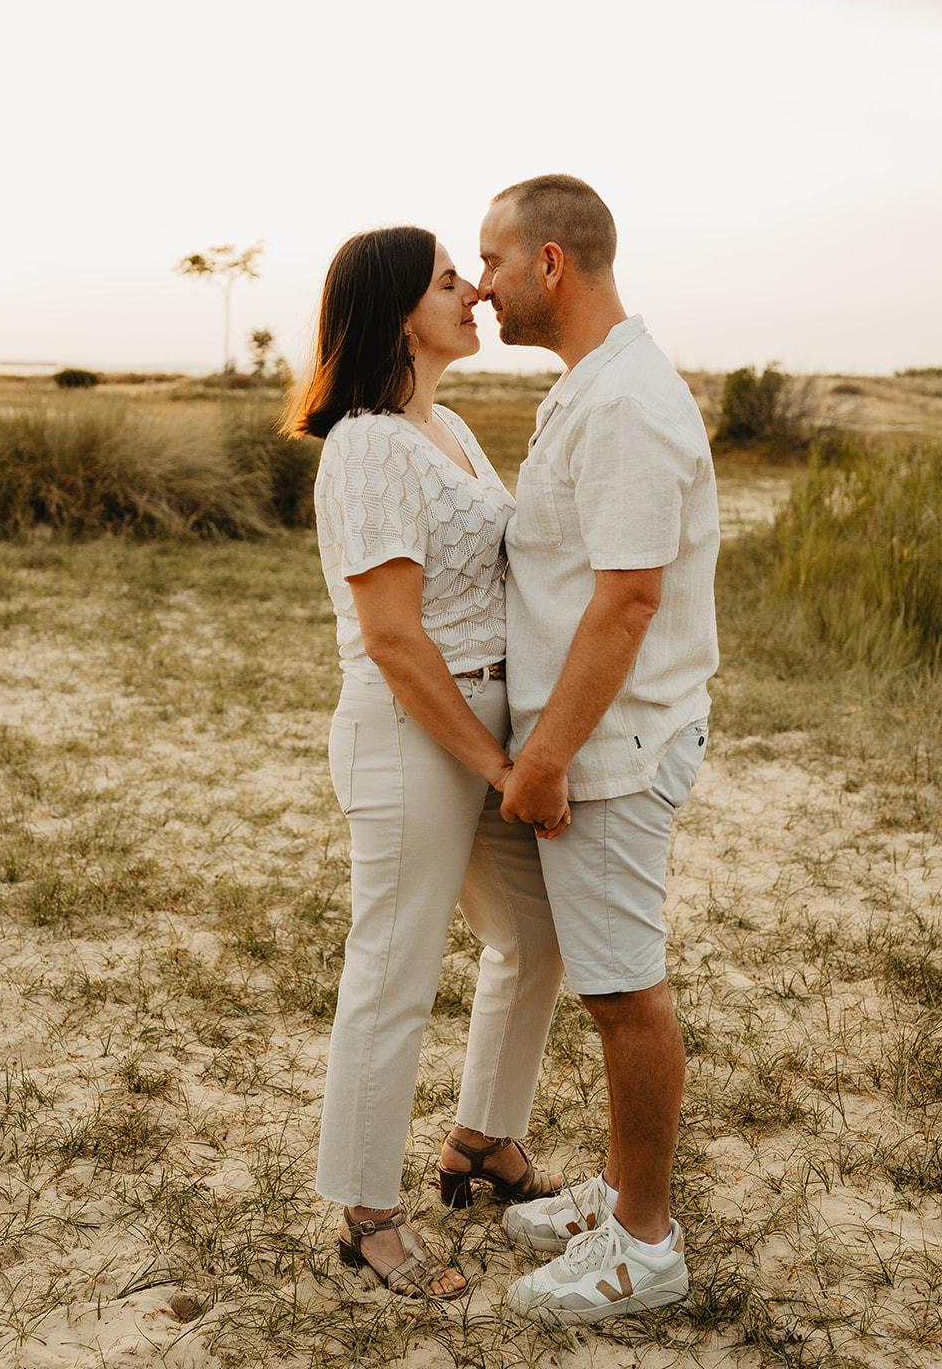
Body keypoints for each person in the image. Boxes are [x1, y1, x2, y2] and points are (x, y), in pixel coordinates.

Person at [287, 225, 565, 1301]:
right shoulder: (365, 445)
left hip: (486, 725)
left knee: (534, 935)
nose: (474, 294)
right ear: (398, 311)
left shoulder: (446, 427)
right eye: (450, 280)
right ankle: (365, 1216)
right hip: (412, 730)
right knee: (394, 967)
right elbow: (396, 639)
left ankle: (482, 1139)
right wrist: (499, 768)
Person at [476, 175, 719, 1323]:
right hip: (598, 734)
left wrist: (544, 756)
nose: (482, 285)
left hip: (611, 745)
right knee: (610, 980)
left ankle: (644, 1244)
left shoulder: (623, 401)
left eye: (492, 260)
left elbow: (626, 600)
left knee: (624, 993)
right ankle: (619, 1192)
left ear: (550, 264)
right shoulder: (593, 384)